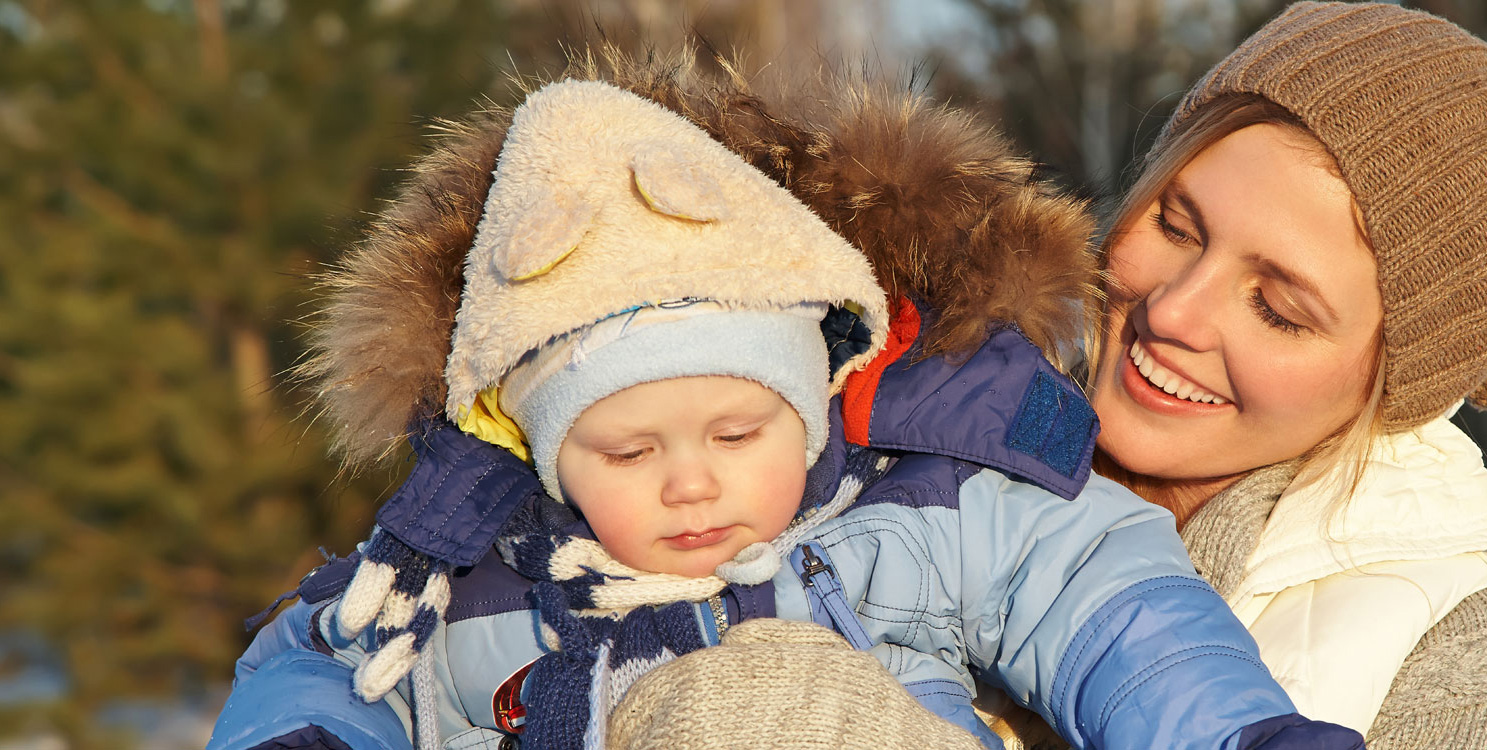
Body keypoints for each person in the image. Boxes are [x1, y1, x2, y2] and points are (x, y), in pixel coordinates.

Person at [208, 64, 1365, 750]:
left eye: (735, 431)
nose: (692, 480)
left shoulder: (914, 511)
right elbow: (319, 655)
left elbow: (1106, 603)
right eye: (625, 449)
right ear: (544, 452)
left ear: (813, 400)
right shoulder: (475, 583)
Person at [1077, 3, 1487, 748]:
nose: (1173, 314)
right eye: (1175, 227)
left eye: (1278, 309)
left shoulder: (1473, 666)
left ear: (1394, 385)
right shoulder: (915, 403)